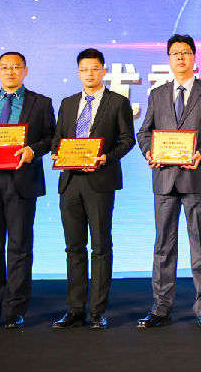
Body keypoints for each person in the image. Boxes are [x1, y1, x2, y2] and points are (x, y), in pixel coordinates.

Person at [135, 34, 201, 328]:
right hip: (164, 179)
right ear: (168, 58)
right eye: (175, 53)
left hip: (195, 177)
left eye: (185, 52)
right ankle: (161, 307)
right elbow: (144, 131)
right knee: (163, 245)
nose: (180, 57)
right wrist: (149, 151)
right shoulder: (157, 94)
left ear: (194, 57)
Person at [50, 49, 135, 329]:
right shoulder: (67, 103)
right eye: (85, 69)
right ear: (78, 73)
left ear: (103, 71)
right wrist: (56, 153)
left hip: (100, 181)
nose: (90, 74)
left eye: (95, 69)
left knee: (100, 246)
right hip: (70, 182)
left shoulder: (118, 102)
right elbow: (57, 138)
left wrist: (105, 158)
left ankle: (98, 310)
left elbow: (127, 140)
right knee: (74, 247)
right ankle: (75, 310)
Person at [0, 51, 55, 329]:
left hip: (21, 181)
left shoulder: (41, 103)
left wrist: (33, 151)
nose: (10, 72)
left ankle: (15, 311)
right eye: (4, 67)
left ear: (25, 71)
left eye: (16, 67)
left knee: (19, 247)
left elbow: (51, 138)